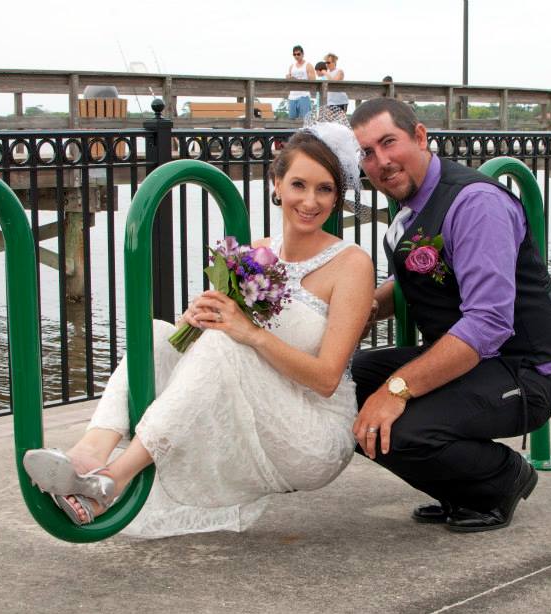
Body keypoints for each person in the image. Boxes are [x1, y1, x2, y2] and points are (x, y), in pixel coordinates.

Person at [23, 121, 374, 538]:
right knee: (154, 333)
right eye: (299, 184)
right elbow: (220, 344)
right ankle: (86, 457)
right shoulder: (257, 252)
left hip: (313, 435)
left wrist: (249, 332)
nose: (310, 201)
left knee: (228, 345)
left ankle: (111, 482)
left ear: (337, 197)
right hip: (256, 412)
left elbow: (327, 379)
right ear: (276, 184)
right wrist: (202, 317)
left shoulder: (351, 264)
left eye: (325, 189)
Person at [349, 98, 551, 533]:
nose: (381, 161)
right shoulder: (414, 204)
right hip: (475, 364)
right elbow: (431, 275)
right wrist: (360, 311)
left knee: (401, 425)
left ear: (419, 136)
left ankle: (500, 479)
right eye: (367, 153)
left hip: (523, 369)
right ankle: (460, 487)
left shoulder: (475, 204)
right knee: (342, 388)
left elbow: (487, 322)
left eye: (388, 142)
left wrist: (395, 390)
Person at [285, 45, 315, 119]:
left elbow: (313, 79)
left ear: (302, 54)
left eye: (298, 54)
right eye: (294, 54)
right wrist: (288, 77)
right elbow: (288, 80)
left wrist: (298, 79)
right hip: (292, 96)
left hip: (303, 95)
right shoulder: (292, 66)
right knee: (291, 120)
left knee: (305, 120)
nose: (296, 56)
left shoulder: (308, 65)